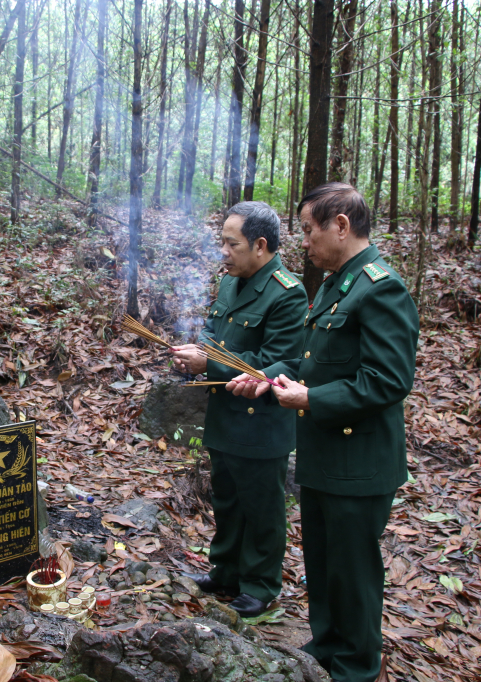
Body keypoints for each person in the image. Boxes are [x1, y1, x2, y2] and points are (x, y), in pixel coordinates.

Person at [227, 182, 419, 682]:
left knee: (353, 571)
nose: (304, 243)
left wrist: (311, 399)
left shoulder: (381, 287)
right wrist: (271, 378)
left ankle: (356, 666)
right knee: (324, 559)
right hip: (322, 456)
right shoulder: (337, 283)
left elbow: (389, 380)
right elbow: (317, 361)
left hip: (359, 461)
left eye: (310, 231)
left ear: (341, 225)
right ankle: (326, 645)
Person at [170, 201, 308, 618]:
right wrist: (197, 348)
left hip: (261, 421)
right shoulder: (231, 281)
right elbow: (215, 329)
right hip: (225, 414)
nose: (223, 252)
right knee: (227, 497)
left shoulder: (288, 293)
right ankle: (225, 570)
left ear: (260, 245)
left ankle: (261, 585)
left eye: (232, 244)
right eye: (222, 242)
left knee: (261, 505)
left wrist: (208, 363)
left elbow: (279, 362)